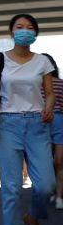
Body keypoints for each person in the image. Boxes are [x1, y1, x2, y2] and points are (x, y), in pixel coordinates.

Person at [0, 13, 55, 225]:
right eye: (19, 27)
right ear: (12, 32)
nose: (25, 30)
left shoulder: (43, 61)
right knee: (11, 187)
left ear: (36, 33)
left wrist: (48, 106)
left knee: (46, 185)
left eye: (30, 27)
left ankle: (32, 217)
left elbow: (49, 92)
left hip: (37, 124)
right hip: (9, 124)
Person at [51, 66, 63, 210]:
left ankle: (58, 195)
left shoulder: (36, 85)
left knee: (54, 162)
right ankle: (57, 195)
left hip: (48, 122)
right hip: (57, 122)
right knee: (58, 162)